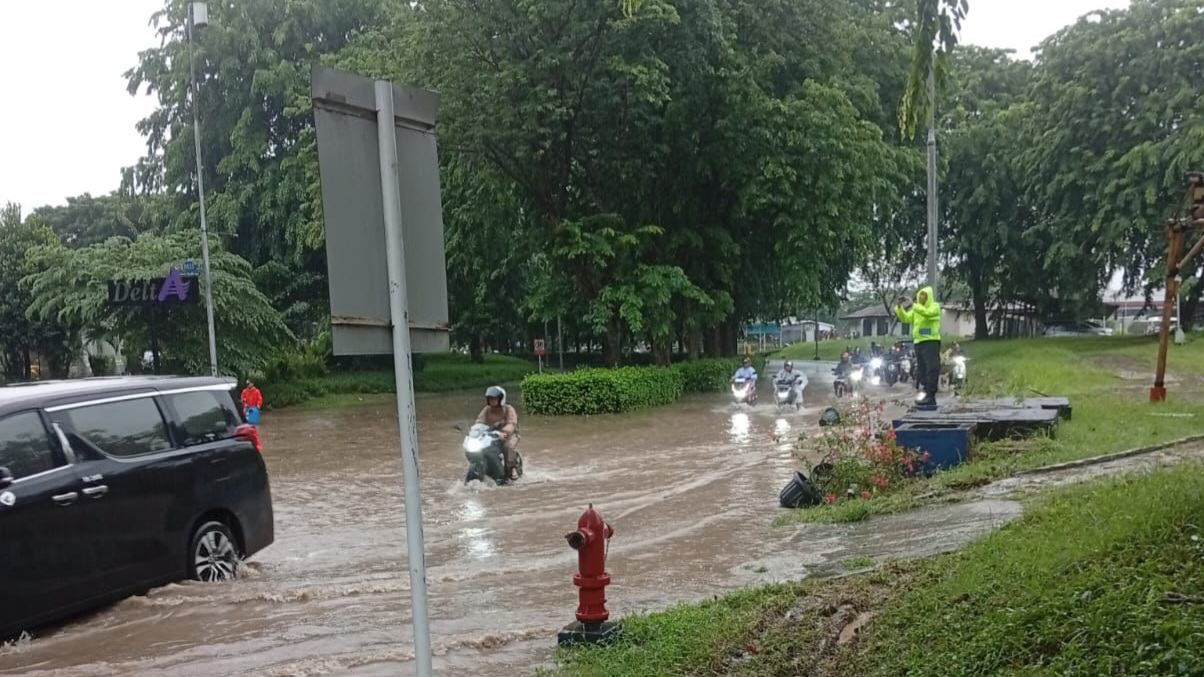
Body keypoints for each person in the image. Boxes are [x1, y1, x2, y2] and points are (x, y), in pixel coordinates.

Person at [895, 286, 942, 406]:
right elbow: (905, 318)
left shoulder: (934, 306)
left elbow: (927, 314)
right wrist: (899, 307)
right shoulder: (916, 311)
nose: (921, 297)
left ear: (928, 297)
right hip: (918, 342)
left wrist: (913, 305)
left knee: (932, 368)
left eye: (924, 295)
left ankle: (931, 394)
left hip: (931, 342)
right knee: (922, 369)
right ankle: (926, 392)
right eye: (920, 295)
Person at [475, 386, 520, 481]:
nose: (492, 400)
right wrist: (475, 431)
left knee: (507, 447)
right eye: (490, 398)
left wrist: (505, 432)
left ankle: (510, 471)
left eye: (494, 398)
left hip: (508, 436)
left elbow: (512, 423)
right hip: (491, 436)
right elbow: (479, 421)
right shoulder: (486, 410)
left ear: (501, 399)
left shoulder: (508, 409)